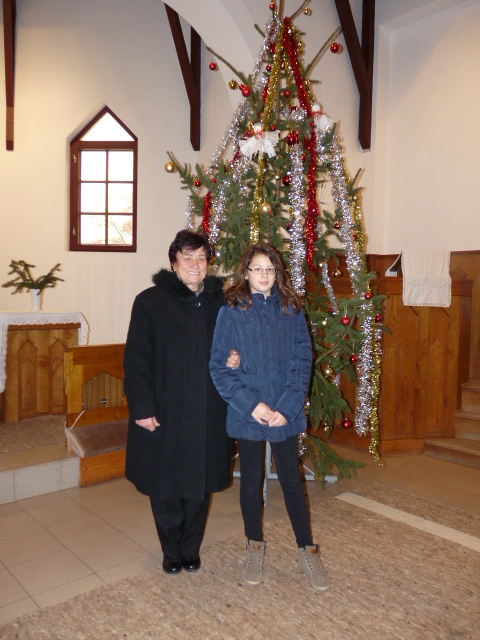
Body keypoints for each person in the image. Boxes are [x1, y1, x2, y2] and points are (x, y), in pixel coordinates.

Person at [209, 243, 330, 591]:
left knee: (291, 479)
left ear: (277, 273)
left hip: (282, 411)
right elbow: (219, 367)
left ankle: (307, 550)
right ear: (246, 272)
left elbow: (302, 363)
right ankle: (254, 546)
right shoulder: (231, 311)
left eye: (269, 269)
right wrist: (252, 406)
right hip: (248, 411)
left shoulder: (291, 309)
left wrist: (286, 409)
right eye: (257, 269)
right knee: (251, 479)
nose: (264, 275)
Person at [123, 229, 238, 575]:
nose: (195, 264)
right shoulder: (150, 302)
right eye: (187, 257)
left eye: (201, 258)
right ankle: (171, 550)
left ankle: (190, 548)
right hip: (166, 408)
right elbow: (136, 360)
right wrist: (142, 407)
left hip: (207, 408)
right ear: (174, 262)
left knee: (199, 485)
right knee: (166, 484)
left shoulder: (221, 302)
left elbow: (233, 345)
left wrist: (235, 358)